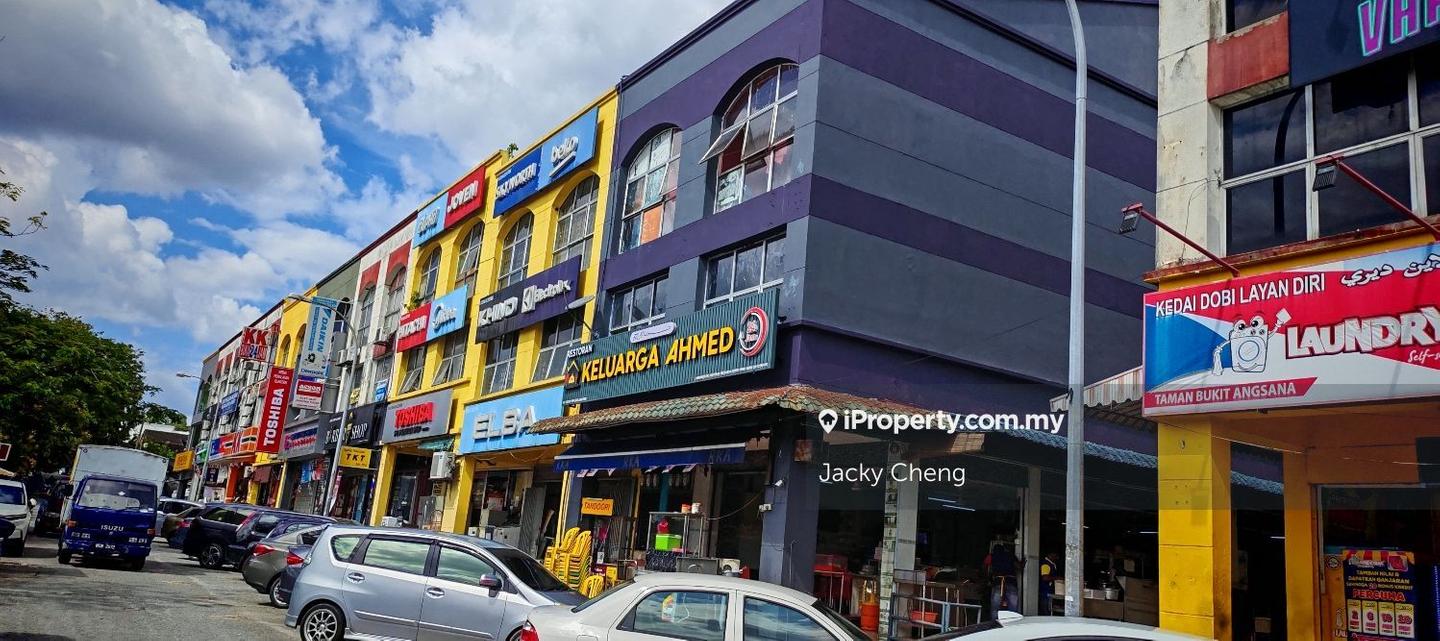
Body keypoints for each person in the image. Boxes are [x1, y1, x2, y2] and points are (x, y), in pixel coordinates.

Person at [983, 541, 1020, 619]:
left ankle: (994, 622)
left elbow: (985, 567)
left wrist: (988, 579)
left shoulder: (991, 556)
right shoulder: (1010, 555)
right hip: (1011, 581)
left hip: (998, 582)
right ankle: (1013, 622)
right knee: (1013, 607)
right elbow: (1019, 567)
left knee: (995, 607)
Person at [1038, 551, 1062, 615]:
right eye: (1055, 556)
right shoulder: (1046, 564)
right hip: (1045, 592)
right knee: (1046, 611)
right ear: (1050, 555)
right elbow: (1045, 578)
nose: (1057, 558)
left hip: (1049, 591)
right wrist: (1057, 578)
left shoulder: (1052, 564)